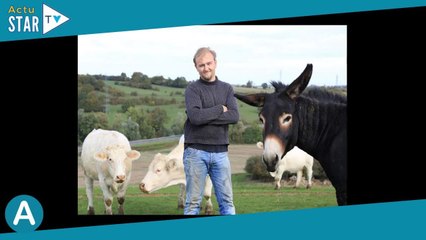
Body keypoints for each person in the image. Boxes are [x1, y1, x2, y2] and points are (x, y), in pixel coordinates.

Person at [183, 47, 239, 215]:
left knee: (227, 202)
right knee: (193, 204)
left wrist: (205, 115)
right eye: (201, 65)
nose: (206, 68)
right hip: (195, 152)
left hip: (221, 153)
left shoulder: (227, 89)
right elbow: (195, 118)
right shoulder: (192, 89)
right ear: (196, 67)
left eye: (209, 63)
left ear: (215, 63)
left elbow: (234, 116)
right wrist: (219, 109)